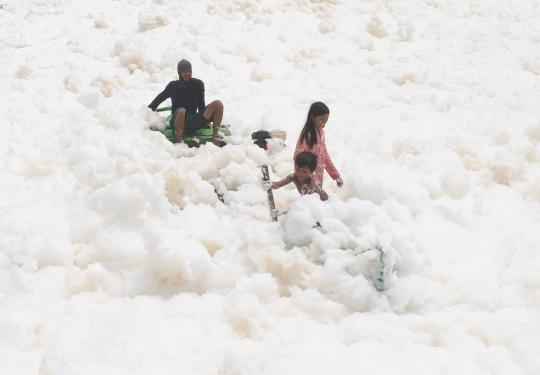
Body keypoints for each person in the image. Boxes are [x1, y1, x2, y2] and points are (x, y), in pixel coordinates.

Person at [147, 59, 225, 145]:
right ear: (179, 73)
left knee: (218, 104)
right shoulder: (173, 86)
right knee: (182, 111)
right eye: (184, 72)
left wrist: (205, 121)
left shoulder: (198, 84)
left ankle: (215, 137)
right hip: (178, 119)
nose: (187, 74)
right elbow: (159, 98)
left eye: (189, 71)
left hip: (193, 119)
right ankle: (179, 141)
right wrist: (148, 110)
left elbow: (201, 106)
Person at [294, 102, 343, 188]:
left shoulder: (321, 132)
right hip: (306, 179)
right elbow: (298, 157)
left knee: (316, 199)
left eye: (326, 121)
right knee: (311, 200)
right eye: (322, 120)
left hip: (318, 178)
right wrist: (305, 173)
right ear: (312, 117)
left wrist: (336, 175)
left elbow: (324, 156)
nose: (324, 123)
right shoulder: (307, 135)